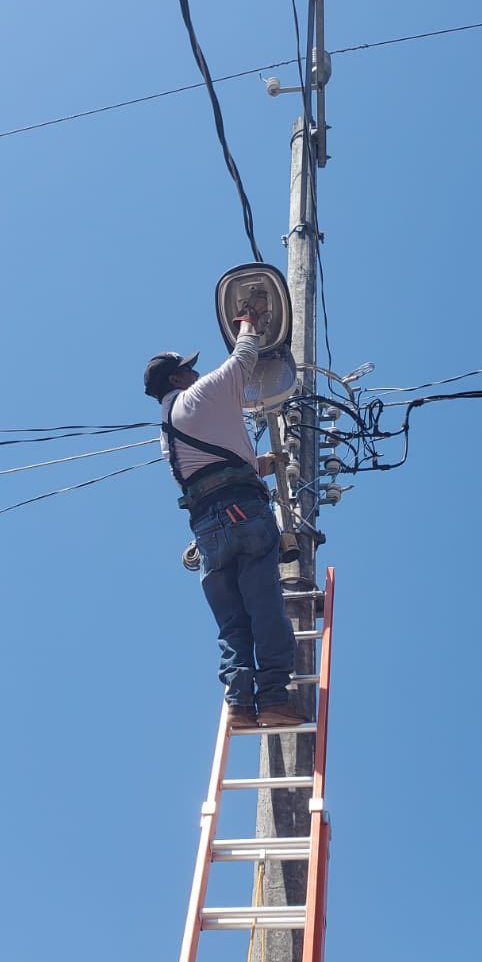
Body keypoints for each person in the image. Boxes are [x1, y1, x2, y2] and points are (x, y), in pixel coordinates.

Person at [144, 310, 299, 730]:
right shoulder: (200, 395)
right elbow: (244, 358)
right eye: (188, 369)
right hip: (243, 513)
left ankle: (239, 703)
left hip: (207, 527)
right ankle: (273, 696)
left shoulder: (167, 431)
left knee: (233, 623)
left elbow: (209, 470)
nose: (195, 373)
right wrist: (248, 322)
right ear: (177, 379)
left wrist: (261, 464)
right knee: (264, 605)